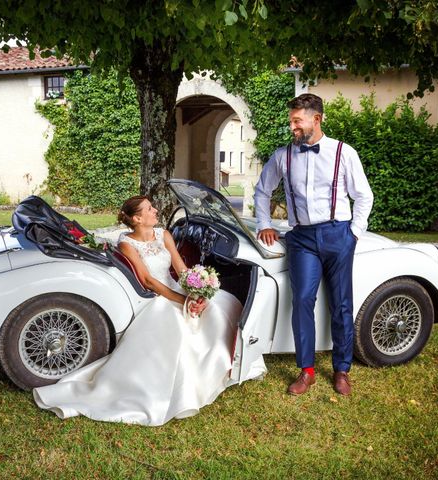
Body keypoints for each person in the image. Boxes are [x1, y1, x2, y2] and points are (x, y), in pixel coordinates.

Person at [33, 195, 261, 425]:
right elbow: (149, 281)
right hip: (157, 297)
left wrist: (196, 292)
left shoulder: (164, 235)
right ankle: (185, 388)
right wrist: (183, 302)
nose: (155, 211)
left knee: (223, 304)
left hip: (176, 289)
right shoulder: (127, 244)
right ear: (137, 218)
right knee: (179, 327)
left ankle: (226, 368)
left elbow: (181, 269)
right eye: (149, 209)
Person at [254, 93, 373, 396]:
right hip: (302, 238)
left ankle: (342, 369)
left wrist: (354, 233)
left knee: (342, 304)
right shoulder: (283, 155)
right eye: (291, 120)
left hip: (339, 235)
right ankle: (306, 370)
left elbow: (364, 196)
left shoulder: (343, 153)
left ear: (316, 119)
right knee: (303, 301)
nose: (292, 126)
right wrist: (264, 223)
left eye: (297, 121)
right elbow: (262, 190)